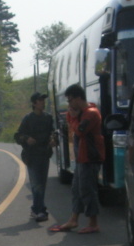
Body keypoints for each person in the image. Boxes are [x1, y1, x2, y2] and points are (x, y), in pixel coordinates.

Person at [49, 84, 104, 235]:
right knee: (76, 189)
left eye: (70, 100)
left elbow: (80, 131)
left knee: (87, 190)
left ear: (79, 98)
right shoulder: (80, 113)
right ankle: (74, 219)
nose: (69, 104)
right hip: (81, 157)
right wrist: (72, 117)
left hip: (90, 157)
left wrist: (72, 118)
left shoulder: (91, 113)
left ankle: (93, 223)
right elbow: (73, 124)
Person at [14, 92, 55, 223]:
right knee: (36, 184)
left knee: (42, 184)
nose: (43, 102)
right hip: (32, 156)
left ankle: (37, 209)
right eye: (40, 100)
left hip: (44, 154)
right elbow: (18, 135)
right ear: (34, 104)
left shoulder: (48, 118)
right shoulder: (28, 119)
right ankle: (39, 211)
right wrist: (26, 138)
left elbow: (53, 132)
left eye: (43, 100)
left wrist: (53, 139)